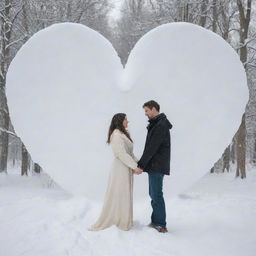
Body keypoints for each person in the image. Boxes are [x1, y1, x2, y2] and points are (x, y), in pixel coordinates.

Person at [89, 113, 142, 231]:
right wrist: (134, 167)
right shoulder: (116, 135)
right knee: (120, 193)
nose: (128, 121)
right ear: (120, 121)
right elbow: (120, 153)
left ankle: (124, 219)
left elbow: (129, 153)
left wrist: (139, 163)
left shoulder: (123, 134)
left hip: (126, 166)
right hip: (120, 168)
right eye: (126, 119)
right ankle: (118, 220)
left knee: (124, 193)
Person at [137, 100, 173, 233]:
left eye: (146, 110)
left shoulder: (160, 125)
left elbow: (152, 147)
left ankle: (161, 224)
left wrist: (141, 165)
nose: (145, 113)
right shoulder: (157, 123)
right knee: (153, 194)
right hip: (155, 165)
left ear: (153, 109)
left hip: (157, 165)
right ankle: (156, 221)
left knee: (156, 195)